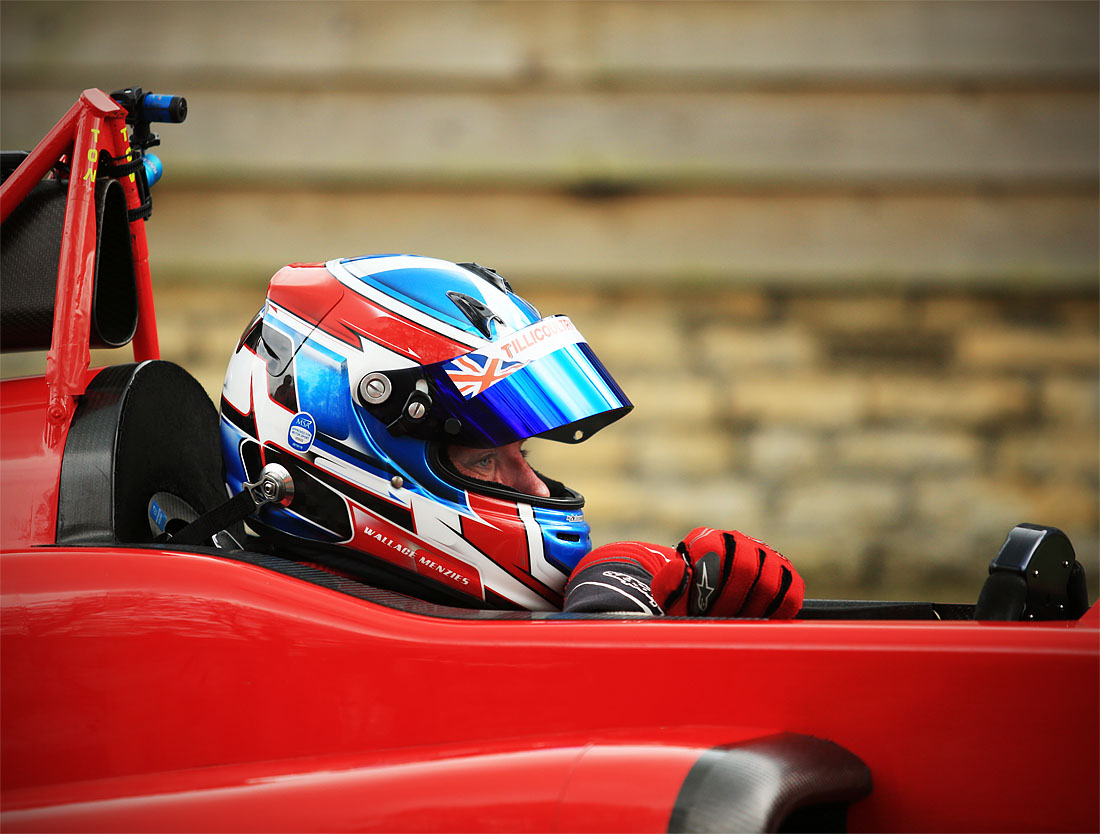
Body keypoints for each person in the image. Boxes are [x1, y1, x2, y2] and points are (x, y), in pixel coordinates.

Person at [220, 255, 804, 617]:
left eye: (519, 452)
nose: (538, 491)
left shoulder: (422, 619)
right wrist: (607, 640)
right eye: (482, 460)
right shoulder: (280, 639)